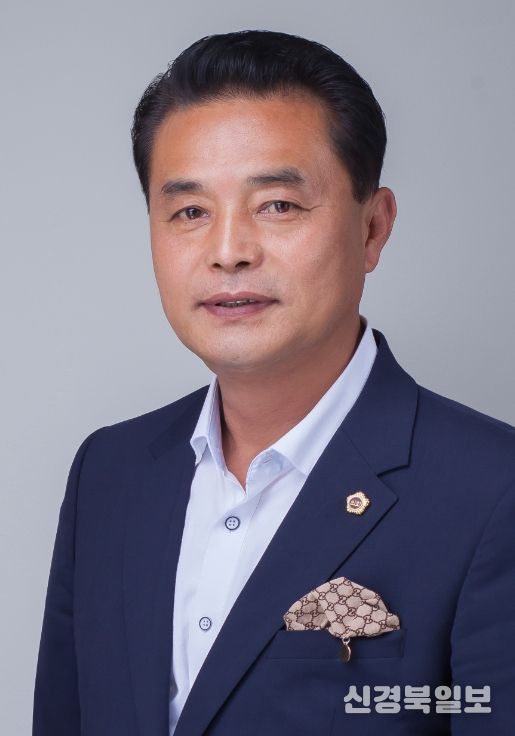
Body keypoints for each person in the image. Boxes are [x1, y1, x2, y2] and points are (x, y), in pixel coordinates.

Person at [32, 29, 515, 736]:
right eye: (190, 212)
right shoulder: (110, 471)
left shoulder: (493, 490)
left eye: (278, 205)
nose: (228, 252)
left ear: (372, 228)